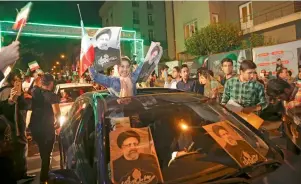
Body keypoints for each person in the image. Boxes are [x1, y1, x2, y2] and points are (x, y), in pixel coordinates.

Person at [29, 74, 61, 183]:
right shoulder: (51, 96)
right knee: (47, 154)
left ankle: (46, 174)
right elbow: (57, 113)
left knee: (43, 153)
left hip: (35, 127)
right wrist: (57, 123)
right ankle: (44, 178)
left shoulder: (34, 91)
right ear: (51, 83)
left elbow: (33, 85)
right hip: (47, 128)